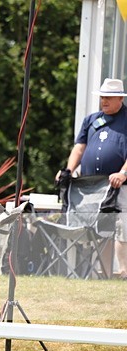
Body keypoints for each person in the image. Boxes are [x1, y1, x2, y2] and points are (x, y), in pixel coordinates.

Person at [57, 78, 127, 278]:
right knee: (100, 227)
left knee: (122, 228)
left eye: (108, 98)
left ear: (120, 98)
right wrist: (68, 170)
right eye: (102, 97)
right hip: (92, 185)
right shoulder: (92, 120)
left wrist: (123, 173)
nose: (104, 101)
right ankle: (104, 273)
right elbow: (80, 147)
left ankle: (124, 272)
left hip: (119, 184)